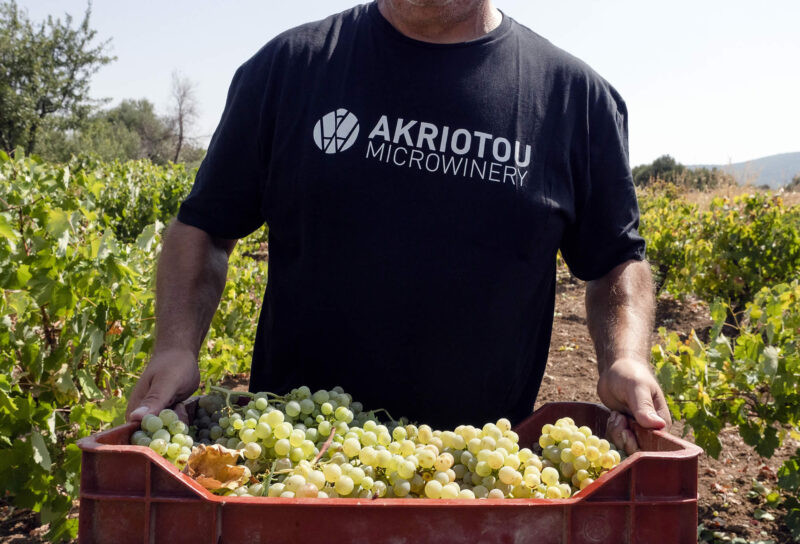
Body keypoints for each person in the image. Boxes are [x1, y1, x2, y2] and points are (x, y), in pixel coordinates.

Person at [126, 0, 670, 455]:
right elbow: (204, 228)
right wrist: (175, 346)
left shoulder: (576, 98)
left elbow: (615, 262)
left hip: (474, 474)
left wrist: (625, 358)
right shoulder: (290, 67)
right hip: (298, 459)